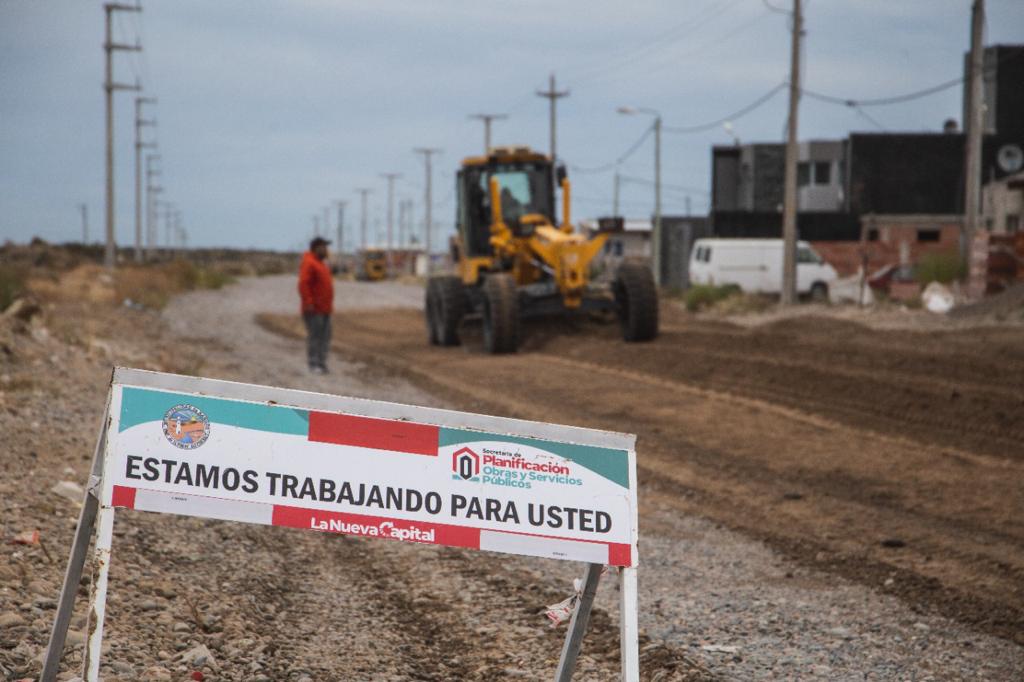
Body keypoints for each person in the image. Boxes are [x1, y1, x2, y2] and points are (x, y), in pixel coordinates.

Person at [298, 237, 334, 374]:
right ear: (316, 247)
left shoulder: (321, 264)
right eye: (324, 247)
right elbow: (303, 284)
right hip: (314, 310)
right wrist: (308, 302)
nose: (326, 250)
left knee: (325, 337)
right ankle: (314, 364)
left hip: (325, 309)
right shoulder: (309, 262)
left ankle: (322, 363)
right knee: (315, 337)